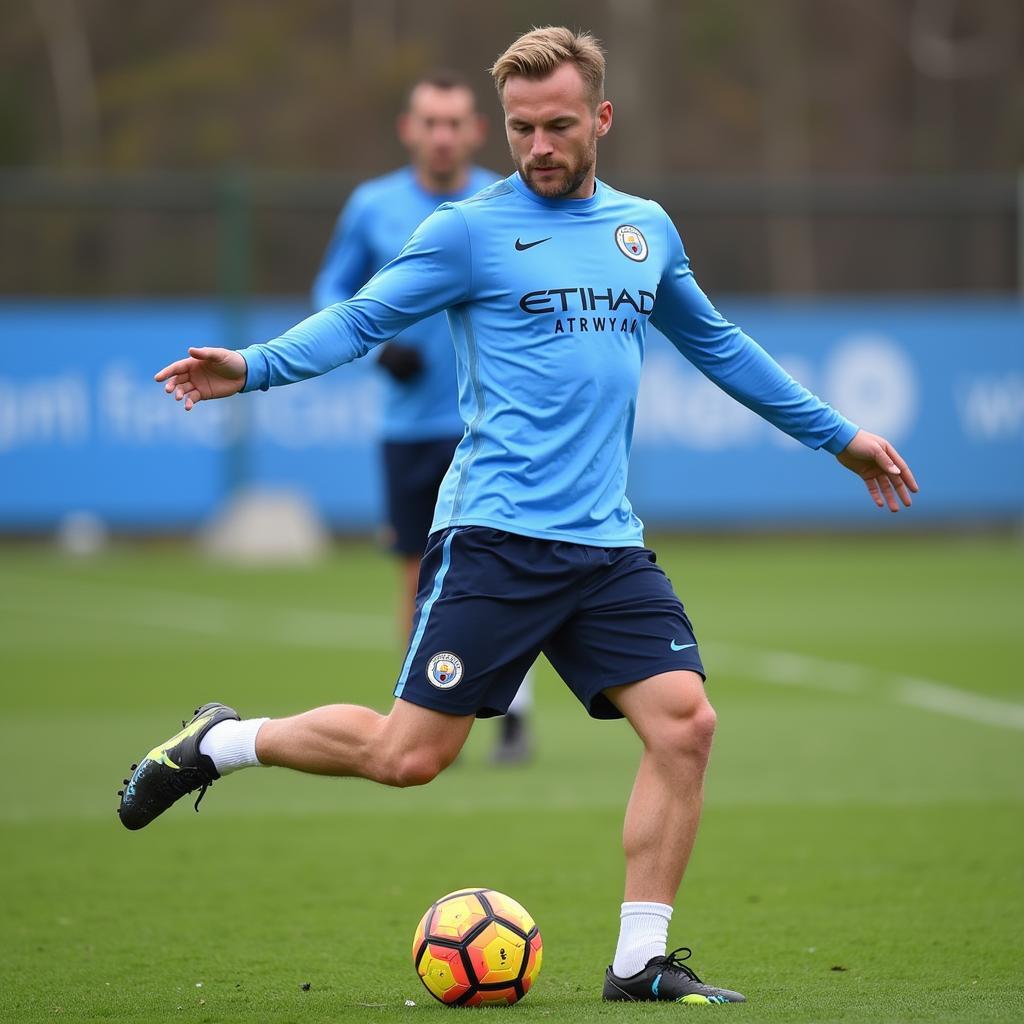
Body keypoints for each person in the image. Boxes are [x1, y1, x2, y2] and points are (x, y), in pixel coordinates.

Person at [122, 27, 918, 1005]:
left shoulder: (644, 231)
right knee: (407, 757)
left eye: (557, 125)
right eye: (520, 128)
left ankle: (639, 959)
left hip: (606, 545)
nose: (537, 146)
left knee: (685, 726)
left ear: (601, 119)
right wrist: (251, 367)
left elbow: (719, 346)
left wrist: (839, 437)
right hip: (495, 537)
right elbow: (363, 317)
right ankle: (220, 741)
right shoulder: (468, 229)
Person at [313, 70, 533, 763]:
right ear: (411, 129)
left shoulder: (510, 201)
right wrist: (379, 350)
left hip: (490, 425)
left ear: (475, 130)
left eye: (455, 123)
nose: (442, 136)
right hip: (409, 426)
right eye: (429, 122)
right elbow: (331, 289)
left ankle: (514, 713)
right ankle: (425, 710)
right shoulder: (372, 206)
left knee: (515, 562)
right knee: (418, 572)